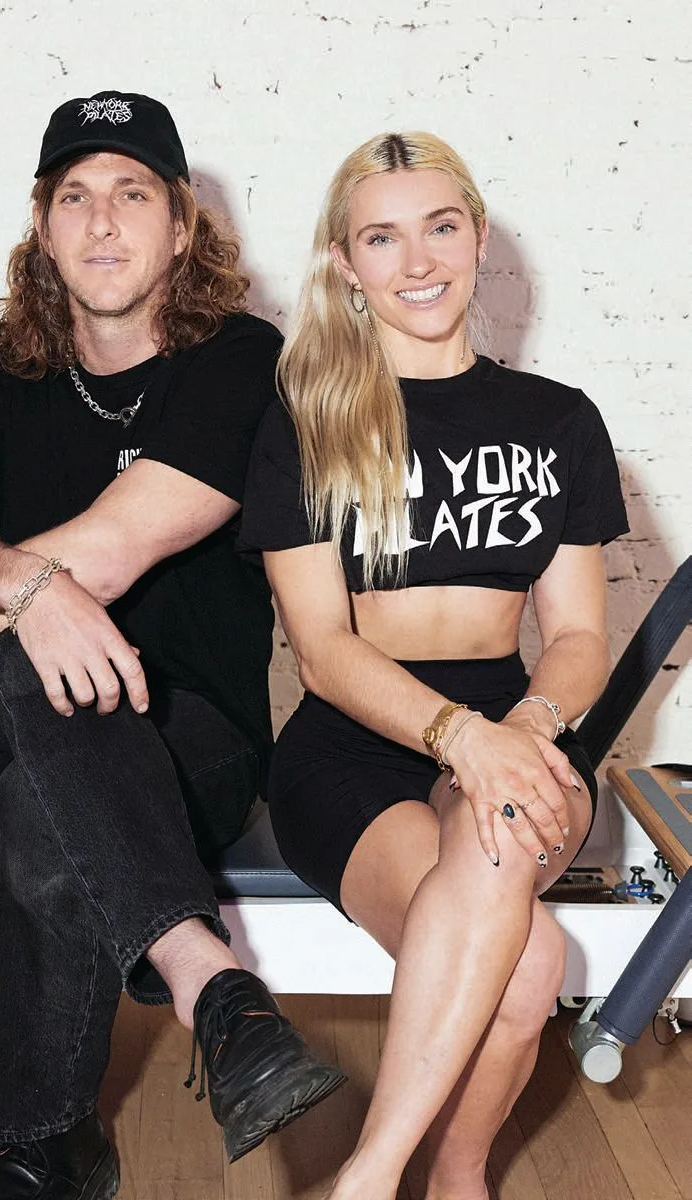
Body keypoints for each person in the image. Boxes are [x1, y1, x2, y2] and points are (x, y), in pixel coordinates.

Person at [0, 91, 344, 1200]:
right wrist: (22, 588)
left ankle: (44, 1147)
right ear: (43, 227)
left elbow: (110, 550)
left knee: (42, 805)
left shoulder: (243, 361)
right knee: (34, 635)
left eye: (133, 194)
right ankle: (211, 987)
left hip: (191, 742)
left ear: (181, 227)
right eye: (75, 197)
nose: (102, 221)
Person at [240, 131, 628, 1200]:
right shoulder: (306, 423)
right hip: (350, 747)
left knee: (499, 830)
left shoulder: (557, 420)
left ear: (478, 238)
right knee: (530, 968)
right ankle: (448, 1182)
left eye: (440, 228)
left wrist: (524, 734)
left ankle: (380, 1178)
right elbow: (323, 651)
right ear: (344, 263)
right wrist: (462, 740)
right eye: (382, 238)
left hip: (522, 722)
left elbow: (580, 638)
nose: (417, 262)